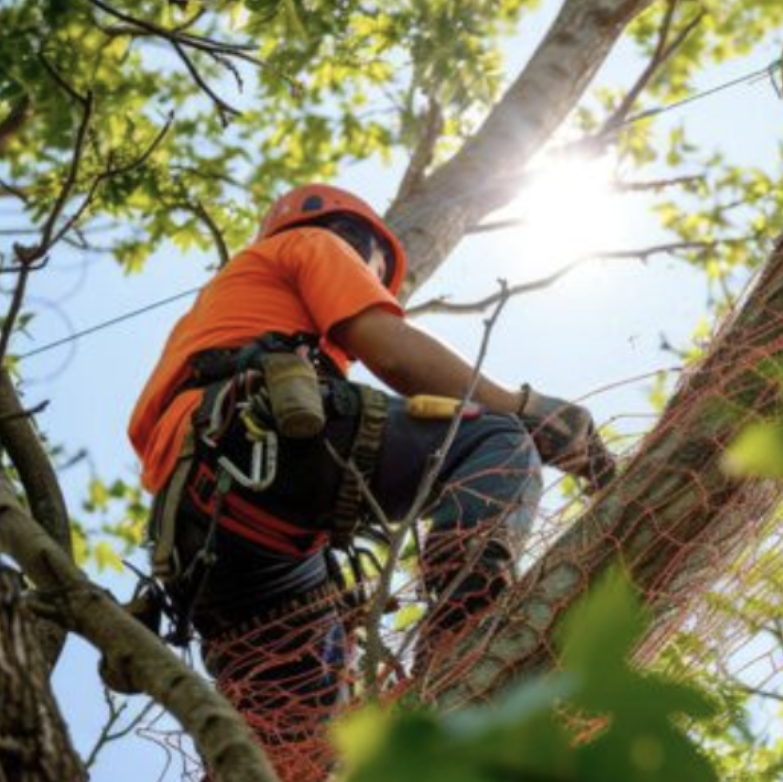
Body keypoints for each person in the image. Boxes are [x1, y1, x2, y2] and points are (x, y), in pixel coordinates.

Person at [128, 183, 614, 780]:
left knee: (300, 738)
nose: (372, 283)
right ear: (353, 240)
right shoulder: (313, 243)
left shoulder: (214, 318)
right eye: (373, 273)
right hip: (257, 445)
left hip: (208, 543)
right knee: (495, 439)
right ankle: (465, 618)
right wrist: (529, 410)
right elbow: (393, 352)